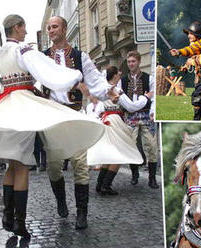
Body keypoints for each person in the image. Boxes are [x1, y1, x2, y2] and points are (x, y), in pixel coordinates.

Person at [0, 15, 104, 240]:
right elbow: (48, 73)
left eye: (54, 26)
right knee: (26, 166)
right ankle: (19, 222)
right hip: (26, 108)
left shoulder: (1, 52)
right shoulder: (25, 51)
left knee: (13, 164)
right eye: (24, 28)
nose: (26, 33)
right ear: (17, 28)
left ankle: (9, 217)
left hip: (6, 109)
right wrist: (74, 77)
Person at [42, 16, 114, 229]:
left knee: (80, 165)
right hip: (53, 117)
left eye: (54, 26)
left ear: (64, 29)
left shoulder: (80, 56)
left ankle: (82, 213)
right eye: (49, 28)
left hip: (75, 114)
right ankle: (61, 200)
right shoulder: (43, 57)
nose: (51, 30)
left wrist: (110, 91)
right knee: (53, 166)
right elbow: (35, 80)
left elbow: (95, 80)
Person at [86, 65, 153, 195]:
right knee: (118, 153)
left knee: (110, 154)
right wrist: (146, 97)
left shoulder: (102, 89)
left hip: (106, 120)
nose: (120, 74)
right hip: (115, 120)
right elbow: (132, 107)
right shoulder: (116, 90)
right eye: (118, 73)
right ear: (115, 75)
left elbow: (99, 107)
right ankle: (106, 185)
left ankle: (100, 185)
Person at [119, 50, 159, 189]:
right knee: (131, 145)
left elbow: (154, 98)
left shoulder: (149, 78)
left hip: (147, 115)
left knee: (152, 146)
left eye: (133, 61)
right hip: (130, 116)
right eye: (129, 62)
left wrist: (153, 112)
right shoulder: (122, 81)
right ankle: (134, 174)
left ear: (139, 62)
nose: (131, 64)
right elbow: (122, 101)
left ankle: (152, 178)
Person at [181, 21, 201, 120]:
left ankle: (196, 120)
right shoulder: (192, 45)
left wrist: (191, 62)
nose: (188, 36)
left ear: (196, 36)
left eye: (191, 34)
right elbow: (191, 58)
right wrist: (186, 65)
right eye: (188, 33)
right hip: (199, 76)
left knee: (197, 98)